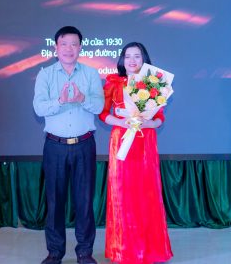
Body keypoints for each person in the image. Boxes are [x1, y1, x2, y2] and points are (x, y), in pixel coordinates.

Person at [33, 26, 104, 264]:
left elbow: (99, 106)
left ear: (80, 47)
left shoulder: (91, 74)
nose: (69, 49)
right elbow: (39, 108)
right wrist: (60, 100)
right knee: (54, 202)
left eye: (74, 44)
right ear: (56, 48)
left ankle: (84, 252)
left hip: (84, 144)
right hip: (55, 146)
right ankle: (55, 253)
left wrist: (82, 99)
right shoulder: (45, 75)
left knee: (84, 201)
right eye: (64, 44)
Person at [99, 42, 173, 264]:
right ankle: (123, 250)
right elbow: (102, 113)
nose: (132, 60)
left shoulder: (152, 84)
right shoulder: (113, 83)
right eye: (128, 56)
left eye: (137, 56)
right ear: (122, 60)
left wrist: (148, 123)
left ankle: (149, 251)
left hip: (145, 142)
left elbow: (159, 118)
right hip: (121, 141)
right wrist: (122, 121)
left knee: (146, 194)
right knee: (123, 194)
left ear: (144, 59)